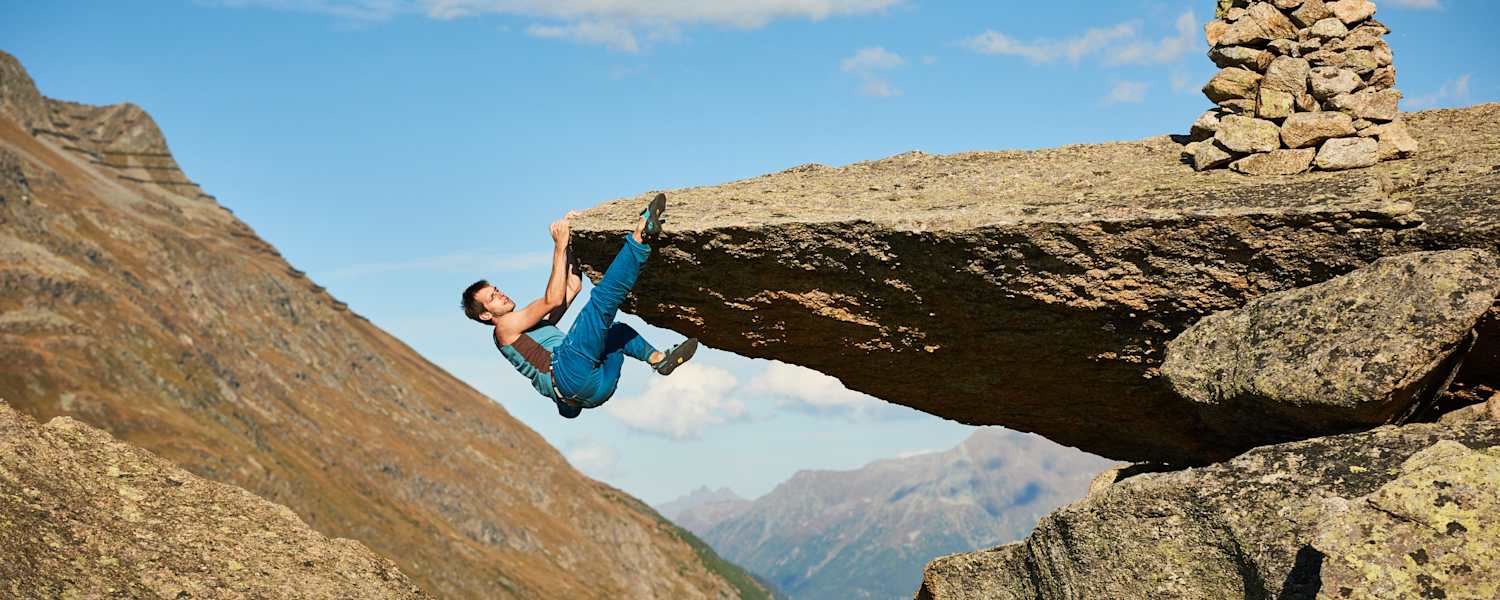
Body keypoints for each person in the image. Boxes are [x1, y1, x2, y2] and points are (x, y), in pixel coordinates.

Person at [461, 193, 697, 418]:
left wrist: (571, 238)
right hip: (568, 373)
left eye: (497, 290)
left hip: (595, 391)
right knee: (602, 302)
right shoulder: (504, 329)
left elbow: (573, 287)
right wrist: (559, 245)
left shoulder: (531, 329)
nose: (500, 295)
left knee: (617, 332)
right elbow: (552, 299)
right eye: (492, 298)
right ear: (485, 315)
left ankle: (658, 359)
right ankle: (641, 235)